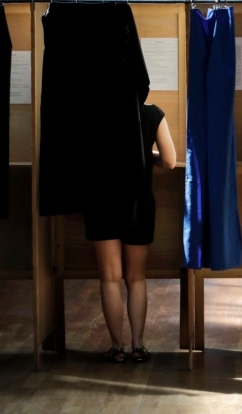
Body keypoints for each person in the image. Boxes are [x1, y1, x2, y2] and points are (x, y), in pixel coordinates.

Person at [83, 103, 176, 363]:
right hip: (139, 203)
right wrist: (146, 155)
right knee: (136, 278)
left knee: (110, 278)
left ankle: (117, 347)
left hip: (101, 203)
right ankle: (138, 345)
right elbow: (169, 161)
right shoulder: (152, 114)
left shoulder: (91, 111)